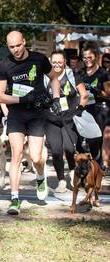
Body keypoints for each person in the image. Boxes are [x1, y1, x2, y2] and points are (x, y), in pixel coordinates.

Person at [0, 31, 60, 215]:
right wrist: (23, 99)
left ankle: (40, 176)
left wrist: (55, 99)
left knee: (36, 156)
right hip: (17, 114)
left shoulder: (39, 59)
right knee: (16, 154)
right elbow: (0, 95)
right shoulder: (4, 65)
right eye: (11, 47)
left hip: (37, 114)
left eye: (18, 45)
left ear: (24, 42)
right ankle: (14, 199)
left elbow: (54, 78)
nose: (15, 50)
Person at [44, 50, 88, 192]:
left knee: (69, 149)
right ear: (51, 62)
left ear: (64, 62)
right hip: (51, 119)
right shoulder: (45, 77)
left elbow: (84, 95)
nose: (57, 64)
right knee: (56, 151)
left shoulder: (72, 76)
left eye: (59, 62)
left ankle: (73, 172)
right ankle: (61, 180)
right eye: (54, 62)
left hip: (69, 119)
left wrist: (79, 109)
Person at [79, 41, 109, 166]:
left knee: (97, 139)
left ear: (96, 56)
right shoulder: (80, 73)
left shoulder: (103, 74)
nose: (87, 60)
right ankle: (92, 165)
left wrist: (97, 91)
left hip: (100, 109)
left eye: (89, 57)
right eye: (84, 58)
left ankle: (98, 166)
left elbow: (108, 95)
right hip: (84, 108)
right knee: (88, 140)